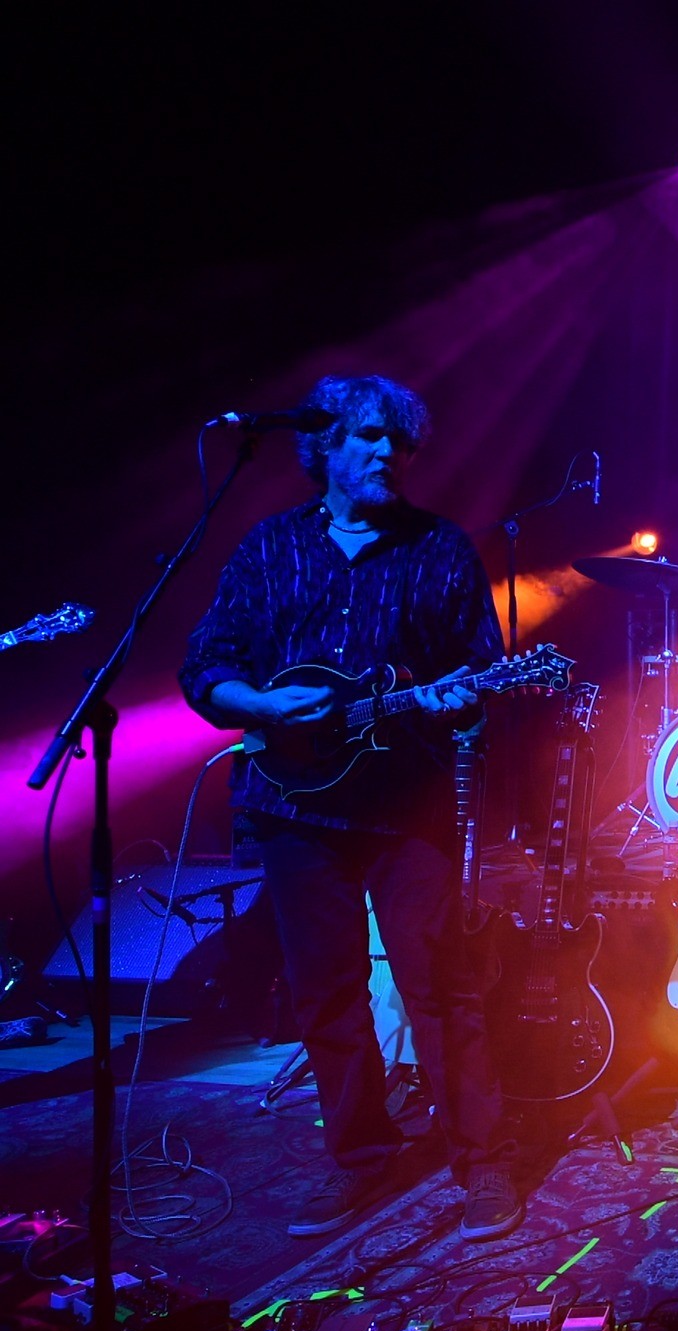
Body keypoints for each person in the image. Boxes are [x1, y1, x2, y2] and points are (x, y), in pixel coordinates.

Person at [180, 374, 523, 1241]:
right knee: (325, 992)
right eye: (369, 437)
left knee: (440, 986)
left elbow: (481, 664)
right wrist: (260, 705)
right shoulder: (270, 547)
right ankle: (363, 1156)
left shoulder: (439, 548)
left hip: (406, 807)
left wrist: (459, 697)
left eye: (399, 443)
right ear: (325, 443)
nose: (387, 454)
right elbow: (206, 662)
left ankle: (483, 1160)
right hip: (294, 809)